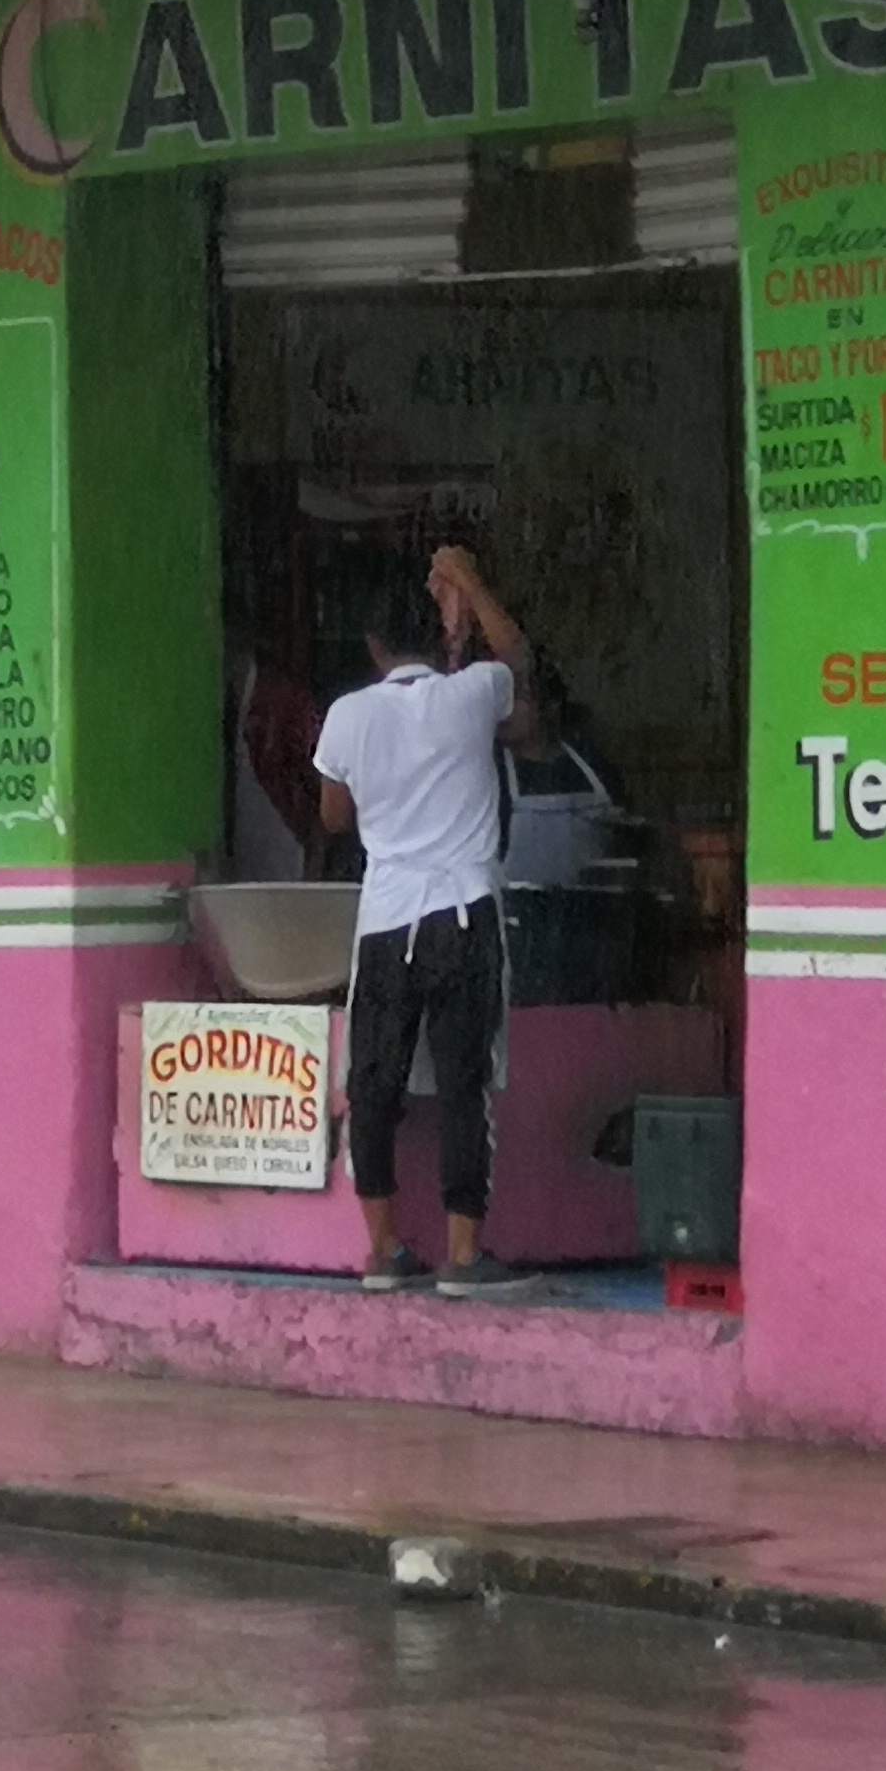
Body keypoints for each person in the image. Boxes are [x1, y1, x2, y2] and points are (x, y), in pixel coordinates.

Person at [315, 545, 536, 1298]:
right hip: (464, 917)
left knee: (373, 1083)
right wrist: (471, 584)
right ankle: (464, 1257)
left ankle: (384, 1250)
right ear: (438, 637)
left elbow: (333, 816)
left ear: (374, 647)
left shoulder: (349, 715)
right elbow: (520, 660)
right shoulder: (473, 695)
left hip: (386, 923)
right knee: (464, 1086)